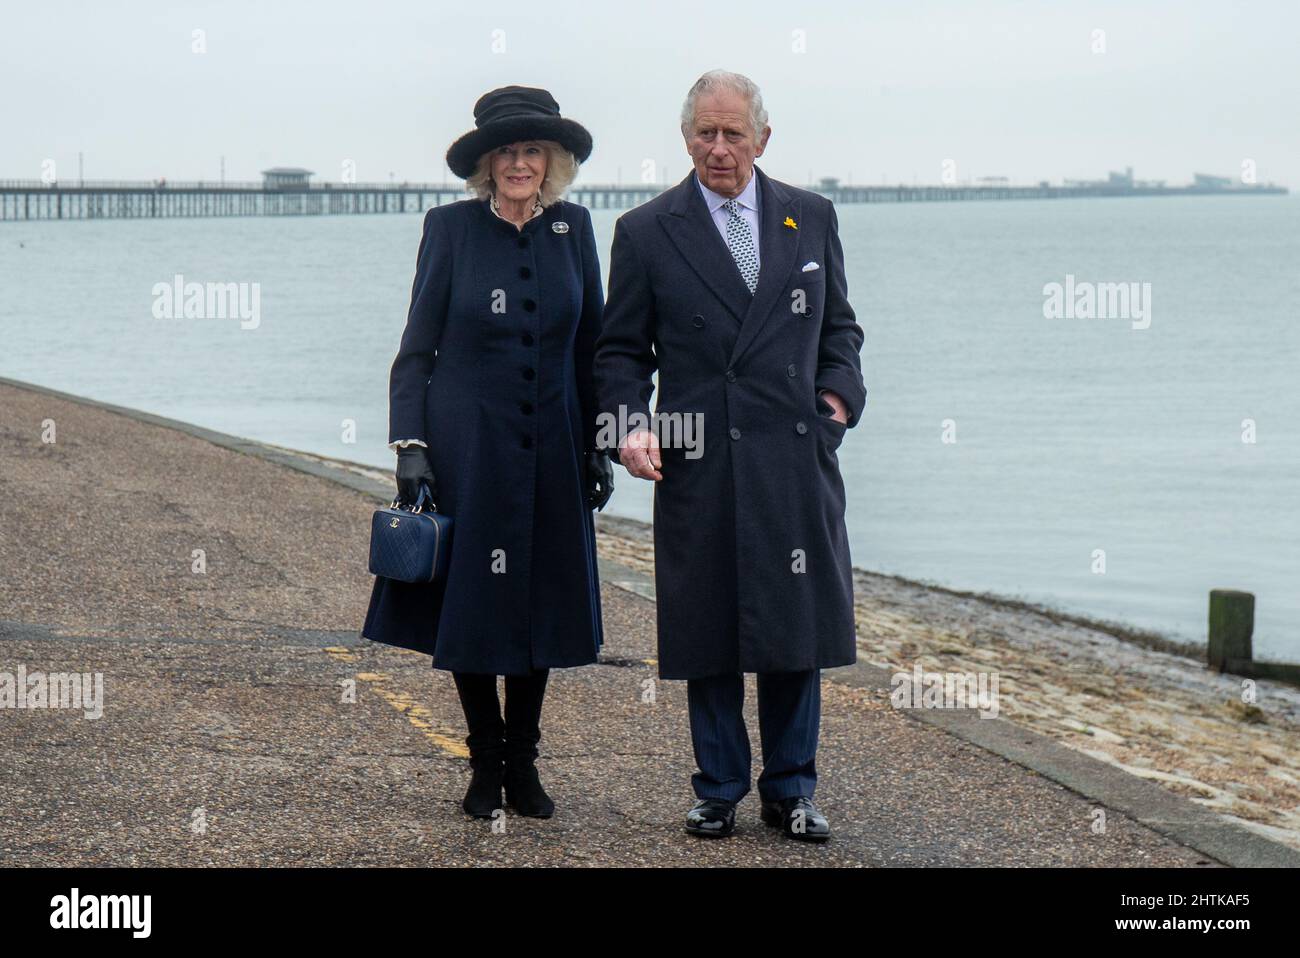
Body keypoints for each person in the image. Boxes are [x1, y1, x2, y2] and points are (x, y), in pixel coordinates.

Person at [594, 70, 866, 842]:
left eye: (733, 133)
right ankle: (716, 788)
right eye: (705, 134)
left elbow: (840, 329)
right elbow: (620, 352)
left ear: (763, 137)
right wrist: (629, 427)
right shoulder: (647, 230)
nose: (719, 148)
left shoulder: (810, 217)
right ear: (686, 140)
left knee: (794, 628)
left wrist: (836, 402)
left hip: (793, 454)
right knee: (707, 625)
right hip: (697, 455)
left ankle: (793, 788)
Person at [363, 85, 613, 820]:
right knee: (471, 606)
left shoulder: (576, 229)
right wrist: (410, 445)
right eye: (506, 151)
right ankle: (483, 761)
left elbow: (593, 347)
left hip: (554, 448)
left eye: (532, 149)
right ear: (486, 163)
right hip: (467, 447)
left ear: (553, 160)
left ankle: (524, 764)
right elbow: (416, 350)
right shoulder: (450, 230)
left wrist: (600, 442)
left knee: (537, 605)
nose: (519, 162)